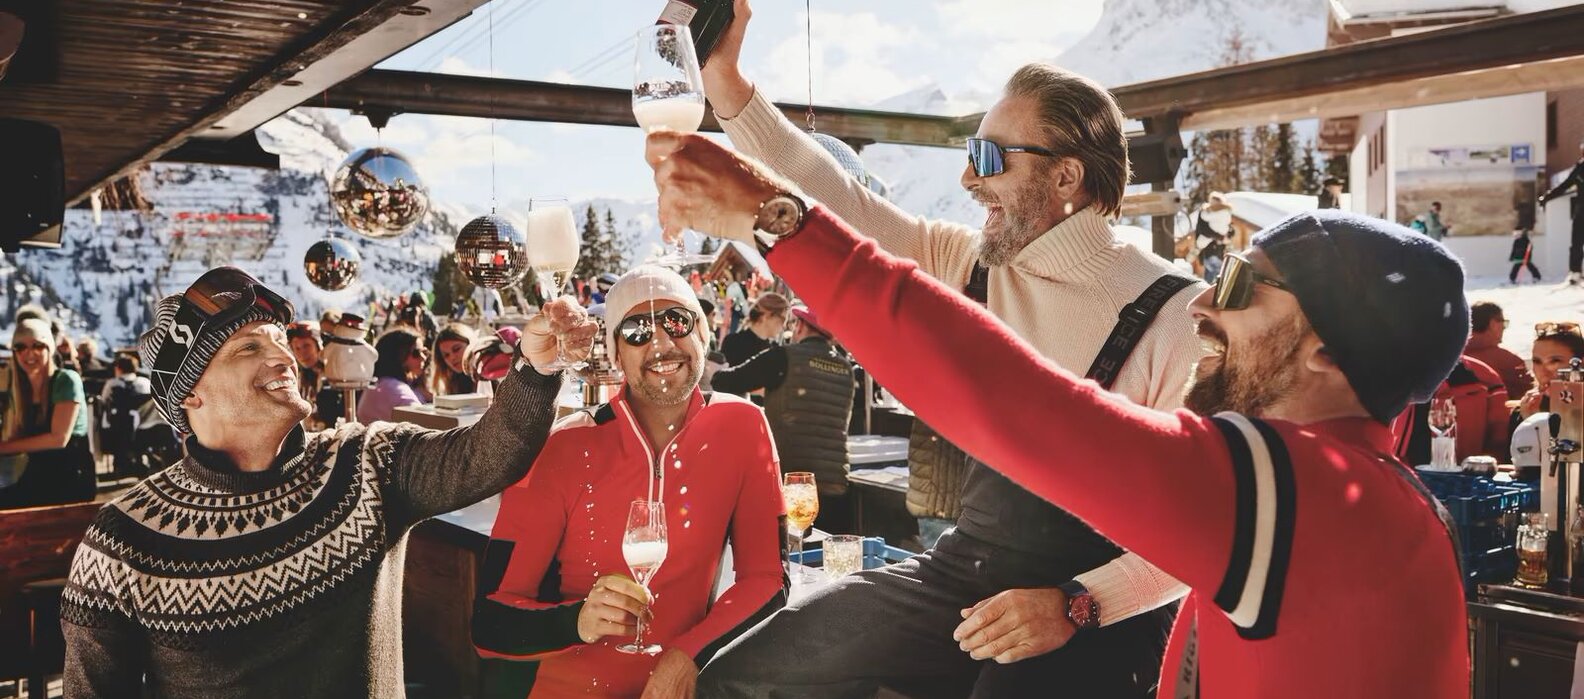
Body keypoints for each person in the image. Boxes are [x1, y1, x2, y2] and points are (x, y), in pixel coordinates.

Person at [645, 129, 1472, 698]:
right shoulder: (1393, 502)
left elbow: (1013, 402)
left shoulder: (1289, 485)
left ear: (1329, 352)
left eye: (1238, 286)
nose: (1204, 311)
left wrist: (774, 220)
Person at [687, 5, 1201, 696]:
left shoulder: (1178, 313)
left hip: (1099, 611)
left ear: (1066, 178)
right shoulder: (973, 265)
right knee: (749, 675)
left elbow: (1204, 530)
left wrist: (1080, 605)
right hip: (964, 573)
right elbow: (834, 196)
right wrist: (727, 85)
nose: (967, 180)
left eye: (988, 158)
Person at [59, 265, 595, 698]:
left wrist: (537, 369)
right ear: (189, 395)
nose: (281, 356)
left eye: (277, 340)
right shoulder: (122, 541)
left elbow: (490, 455)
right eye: (247, 348)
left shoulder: (368, 462)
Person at [473, 266, 786, 698]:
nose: (660, 343)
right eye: (636, 330)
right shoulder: (565, 445)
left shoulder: (742, 426)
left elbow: (768, 577)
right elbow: (490, 621)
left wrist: (687, 655)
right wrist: (576, 620)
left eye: (677, 321)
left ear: (703, 335)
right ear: (616, 354)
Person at [711, 305, 855, 531]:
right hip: (835, 481)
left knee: (790, 556)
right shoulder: (846, 368)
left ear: (800, 327)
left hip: (792, 481)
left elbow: (727, 381)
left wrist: (713, 370)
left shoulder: (784, 356)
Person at [0, 317, 95, 509]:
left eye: (37, 345)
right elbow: (16, 437)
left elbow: (58, 439)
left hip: (69, 477)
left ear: (49, 348)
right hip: (37, 475)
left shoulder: (66, 379)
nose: (29, 353)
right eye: (20, 347)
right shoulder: (19, 390)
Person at [357, 326, 431, 424]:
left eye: (424, 352)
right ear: (397, 356)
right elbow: (426, 424)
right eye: (416, 353)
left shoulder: (380, 385)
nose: (423, 358)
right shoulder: (396, 390)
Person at [1514, 321, 1584, 423]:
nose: (1544, 372)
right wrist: (1532, 424)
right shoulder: (1525, 410)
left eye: (1555, 361)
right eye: (1537, 361)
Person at [98, 354, 154, 477]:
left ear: (118, 368)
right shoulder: (145, 382)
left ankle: (120, 465)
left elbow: (104, 401)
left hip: (118, 428)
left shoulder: (112, 384)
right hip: (144, 426)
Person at [1465, 301, 1533, 398]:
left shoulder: (1452, 359)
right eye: (1504, 323)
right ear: (1493, 324)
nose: (1504, 328)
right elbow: (1528, 395)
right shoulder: (1508, 361)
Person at [1541, 140, 1584, 285]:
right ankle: (1576, 272)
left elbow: (1564, 186)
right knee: (1577, 242)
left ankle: (1576, 272)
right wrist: (1547, 196)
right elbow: (1564, 186)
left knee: (1577, 242)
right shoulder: (1580, 169)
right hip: (1581, 211)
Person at [719, 291, 787, 366]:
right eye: (782, 319)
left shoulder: (775, 350)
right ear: (766, 316)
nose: (784, 325)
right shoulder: (733, 342)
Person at [430, 322, 480, 397]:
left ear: (470, 344)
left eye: (456, 349)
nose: (452, 357)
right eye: (446, 355)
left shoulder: (490, 374)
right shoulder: (453, 383)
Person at [1194, 193, 1233, 283]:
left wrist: (1227, 235)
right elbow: (1203, 230)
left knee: (1211, 274)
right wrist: (1221, 237)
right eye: (1212, 202)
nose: (1214, 205)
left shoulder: (1224, 213)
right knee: (1216, 272)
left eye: (1216, 202)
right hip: (1208, 249)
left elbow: (1230, 228)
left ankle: (1211, 292)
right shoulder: (1205, 212)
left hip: (1220, 250)